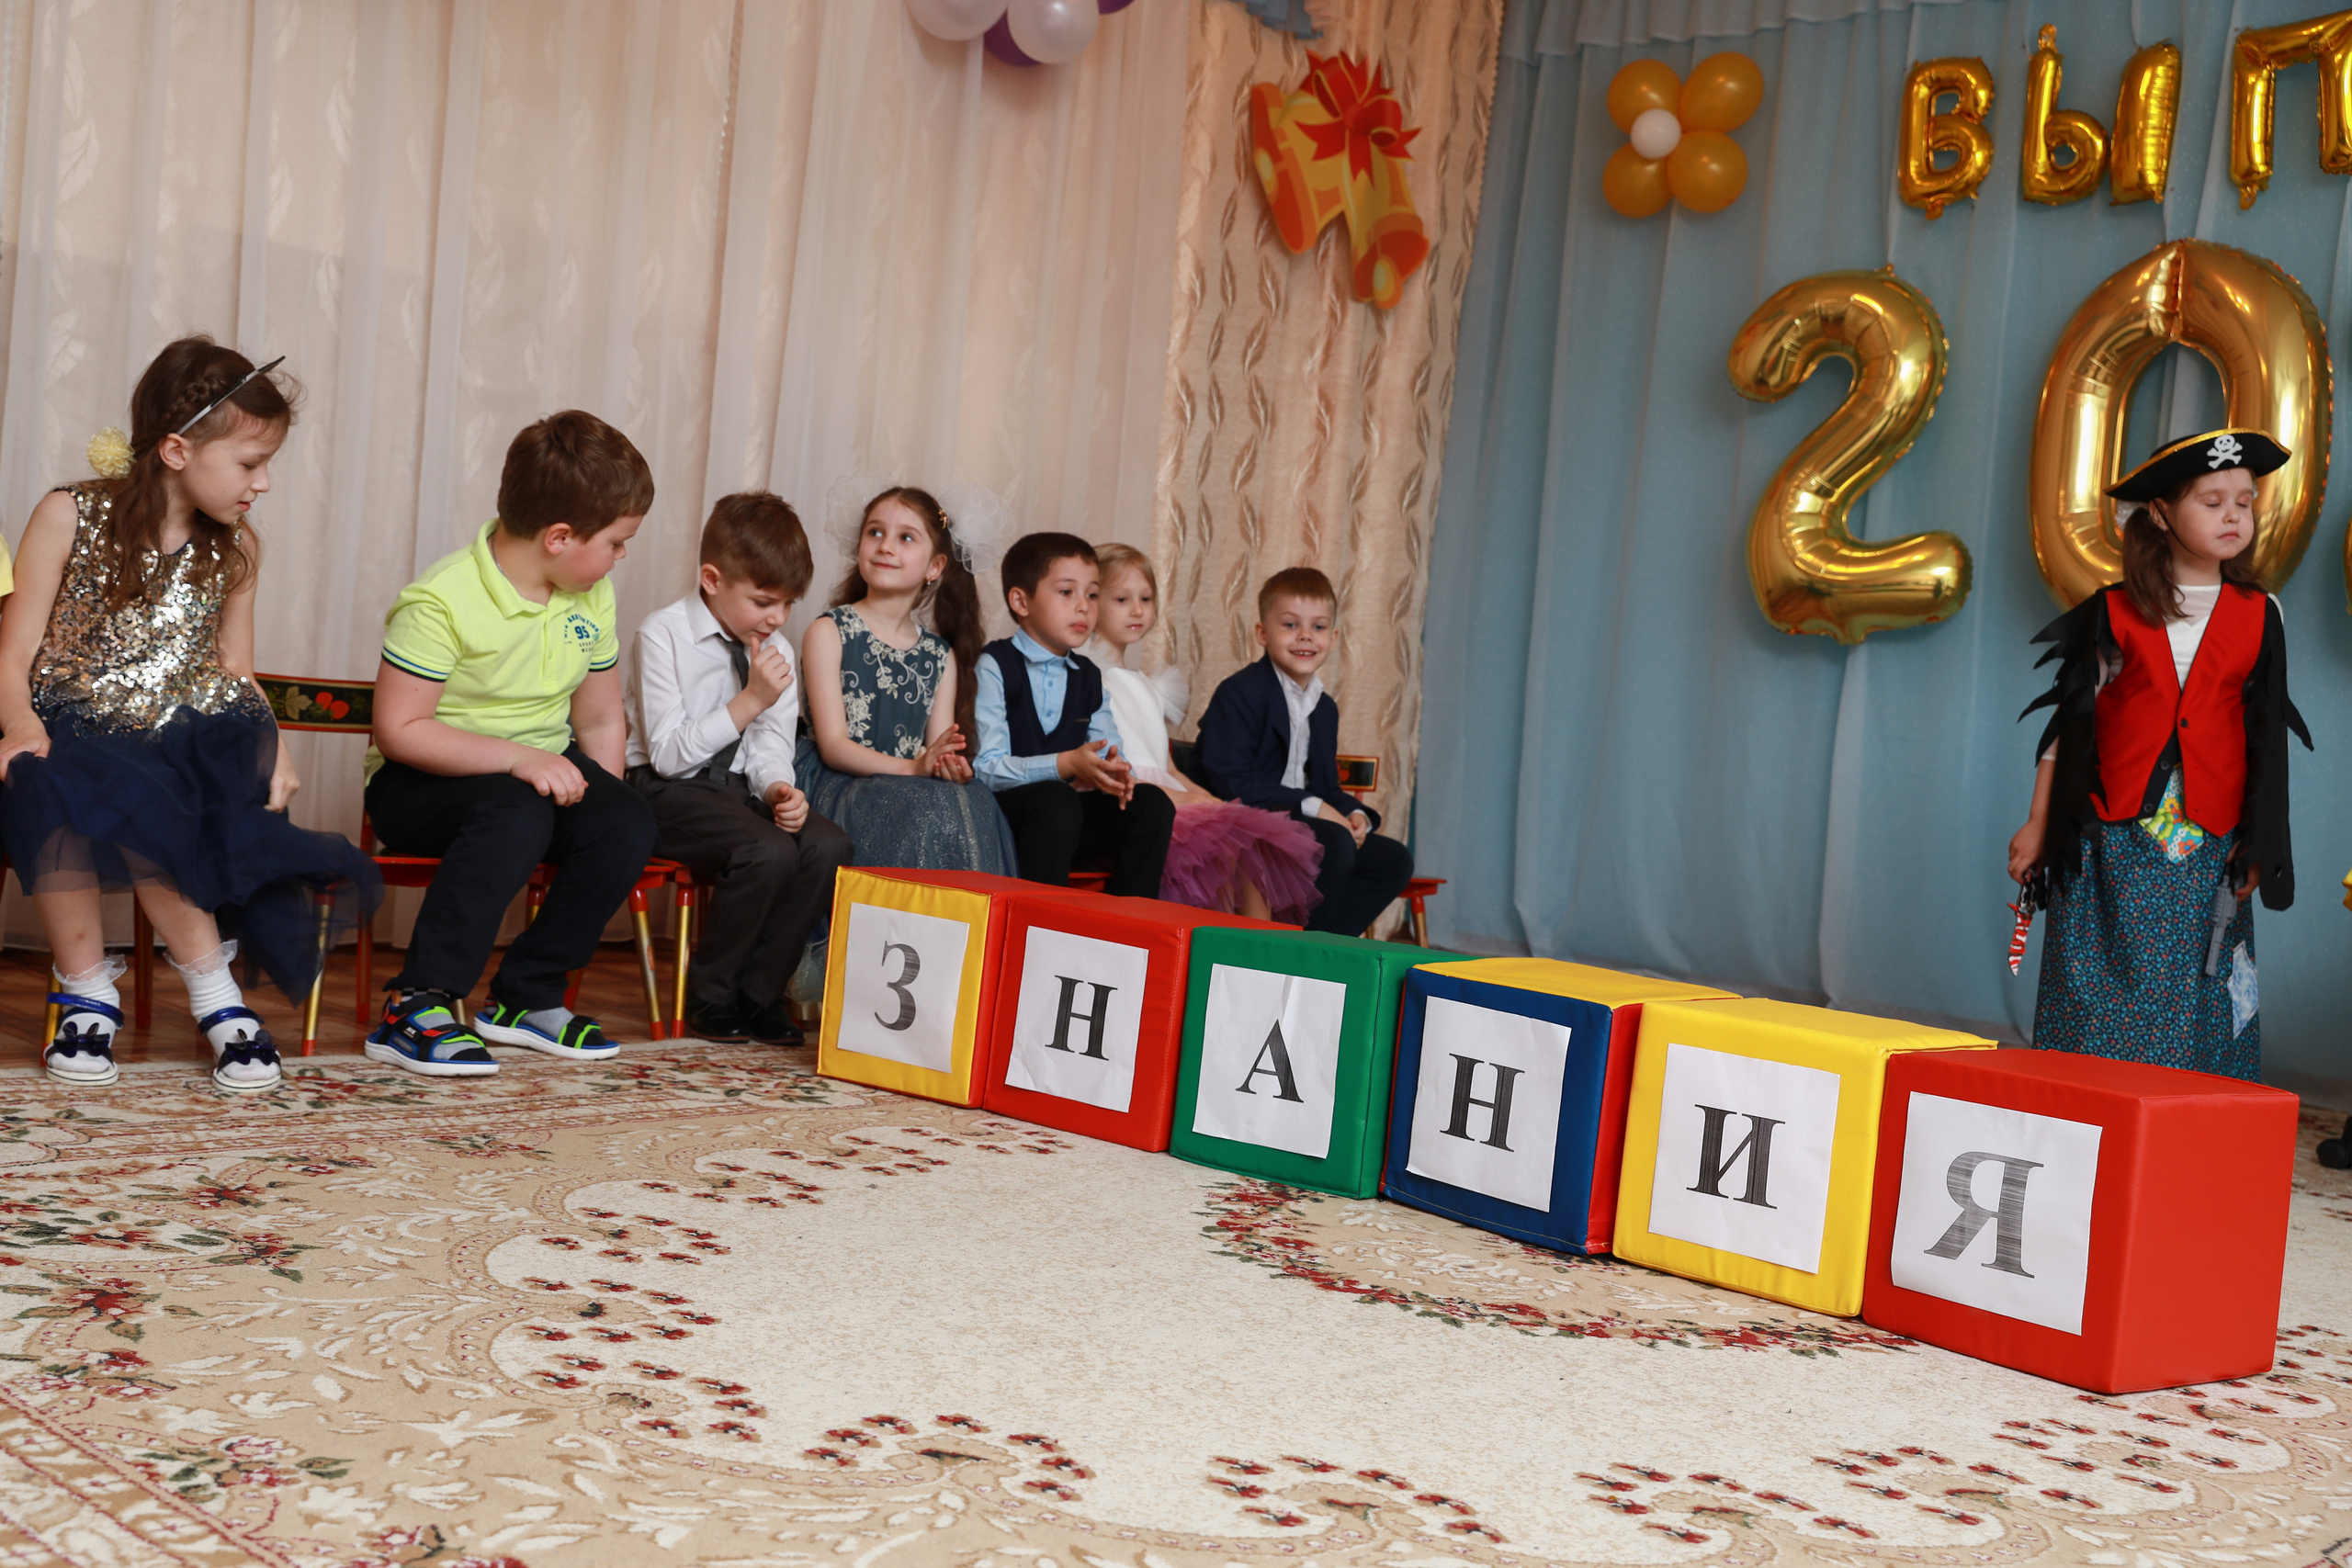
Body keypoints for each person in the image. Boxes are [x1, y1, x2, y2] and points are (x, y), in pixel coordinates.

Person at [0, 337, 380, 1093]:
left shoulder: (234, 549)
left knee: (166, 784)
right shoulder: (68, 513)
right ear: (177, 449)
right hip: (66, 718)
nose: (263, 483)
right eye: (248, 463)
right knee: (56, 782)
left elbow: (235, 668)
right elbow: (15, 650)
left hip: (181, 728)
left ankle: (213, 990)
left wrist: (273, 747)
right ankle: (88, 990)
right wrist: (18, 724)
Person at [362, 411, 660, 1077]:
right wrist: (521, 758)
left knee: (627, 820)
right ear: (559, 536)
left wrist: (595, 805)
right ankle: (416, 1003)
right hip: (422, 780)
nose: (619, 557)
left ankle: (526, 996)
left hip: (537, 773)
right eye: (616, 542)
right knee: (515, 806)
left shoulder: (591, 595)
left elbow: (602, 722)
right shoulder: (441, 600)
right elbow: (401, 730)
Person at [2010, 429, 2309, 1081]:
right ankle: (2086, 1109)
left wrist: (2261, 842)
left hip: (2207, 840)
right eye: (2212, 502)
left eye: (2245, 501)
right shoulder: (2112, 610)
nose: (2235, 516)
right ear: (2160, 512)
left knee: (2193, 988)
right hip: (2108, 839)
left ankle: (2184, 1129)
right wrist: (2038, 822)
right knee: (2097, 983)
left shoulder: (2262, 613)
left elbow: (2266, 739)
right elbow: (2070, 724)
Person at [627, 491, 850, 1045]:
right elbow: (669, 755)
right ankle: (713, 995)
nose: (776, 619)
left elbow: (771, 743)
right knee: (766, 851)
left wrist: (779, 789)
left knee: (827, 846)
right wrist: (751, 698)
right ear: (712, 579)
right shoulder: (663, 635)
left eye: (787, 605)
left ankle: (759, 994)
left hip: (737, 791)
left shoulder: (773, 646)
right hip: (667, 789)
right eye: (763, 601)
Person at [1084, 543, 1320, 921]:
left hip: (1167, 788)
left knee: (1245, 839)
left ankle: (1256, 957)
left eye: (1146, 598)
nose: (1137, 610)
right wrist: (1189, 801)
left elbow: (1168, 765)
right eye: (1122, 599)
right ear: (1092, 603)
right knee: (1229, 852)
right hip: (1137, 798)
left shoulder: (1149, 684)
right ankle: (1235, 953)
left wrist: (1206, 798)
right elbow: (1115, 763)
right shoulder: (1090, 678)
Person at [797, 485, 1017, 875]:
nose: (885, 546)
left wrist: (948, 766)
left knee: (974, 803)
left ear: (935, 567)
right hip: (839, 784)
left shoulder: (939, 656)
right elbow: (833, 746)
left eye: (906, 537)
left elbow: (937, 747)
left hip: (907, 784)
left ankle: (954, 931)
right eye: (875, 532)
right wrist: (914, 769)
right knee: (921, 808)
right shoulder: (829, 632)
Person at [1198, 567, 1413, 937]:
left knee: (1393, 860)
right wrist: (1318, 810)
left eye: (1317, 627)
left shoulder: (1324, 707)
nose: (1305, 637)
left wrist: (1355, 815)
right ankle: (1306, 954)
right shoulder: (1241, 692)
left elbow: (1326, 787)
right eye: (1290, 625)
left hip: (1299, 821)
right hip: (1246, 819)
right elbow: (1232, 779)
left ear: (1333, 637)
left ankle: (1324, 942)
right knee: (1334, 842)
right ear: (1262, 634)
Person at [976, 533, 1174, 895]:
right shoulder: (994, 664)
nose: (1084, 606)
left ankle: (1130, 927)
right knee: (1057, 798)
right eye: (1067, 592)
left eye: (1093, 594)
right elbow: (987, 768)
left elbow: (1107, 745)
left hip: (1065, 818)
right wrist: (1065, 765)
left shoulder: (1090, 676)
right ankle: (1038, 922)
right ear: (1021, 601)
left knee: (1152, 804)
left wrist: (1115, 771)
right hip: (1006, 816)